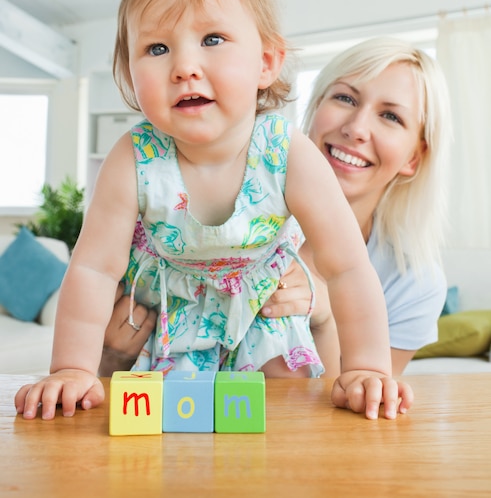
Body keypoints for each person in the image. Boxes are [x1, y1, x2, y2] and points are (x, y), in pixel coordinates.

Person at [15, 0, 412, 422]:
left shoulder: (289, 153)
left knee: (288, 400)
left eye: (213, 39)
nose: (184, 66)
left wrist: (366, 367)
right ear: (128, 75)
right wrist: (71, 368)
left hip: (260, 310)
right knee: (152, 423)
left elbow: (347, 267)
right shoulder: (132, 157)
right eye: (157, 48)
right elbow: (94, 270)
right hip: (165, 313)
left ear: (266, 63)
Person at [102, 36, 451, 378]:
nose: (356, 129)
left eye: (390, 117)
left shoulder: (413, 282)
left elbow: (354, 420)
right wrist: (111, 357)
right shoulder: (174, 216)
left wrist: (325, 319)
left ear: (414, 157)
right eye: (345, 98)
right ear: (315, 108)